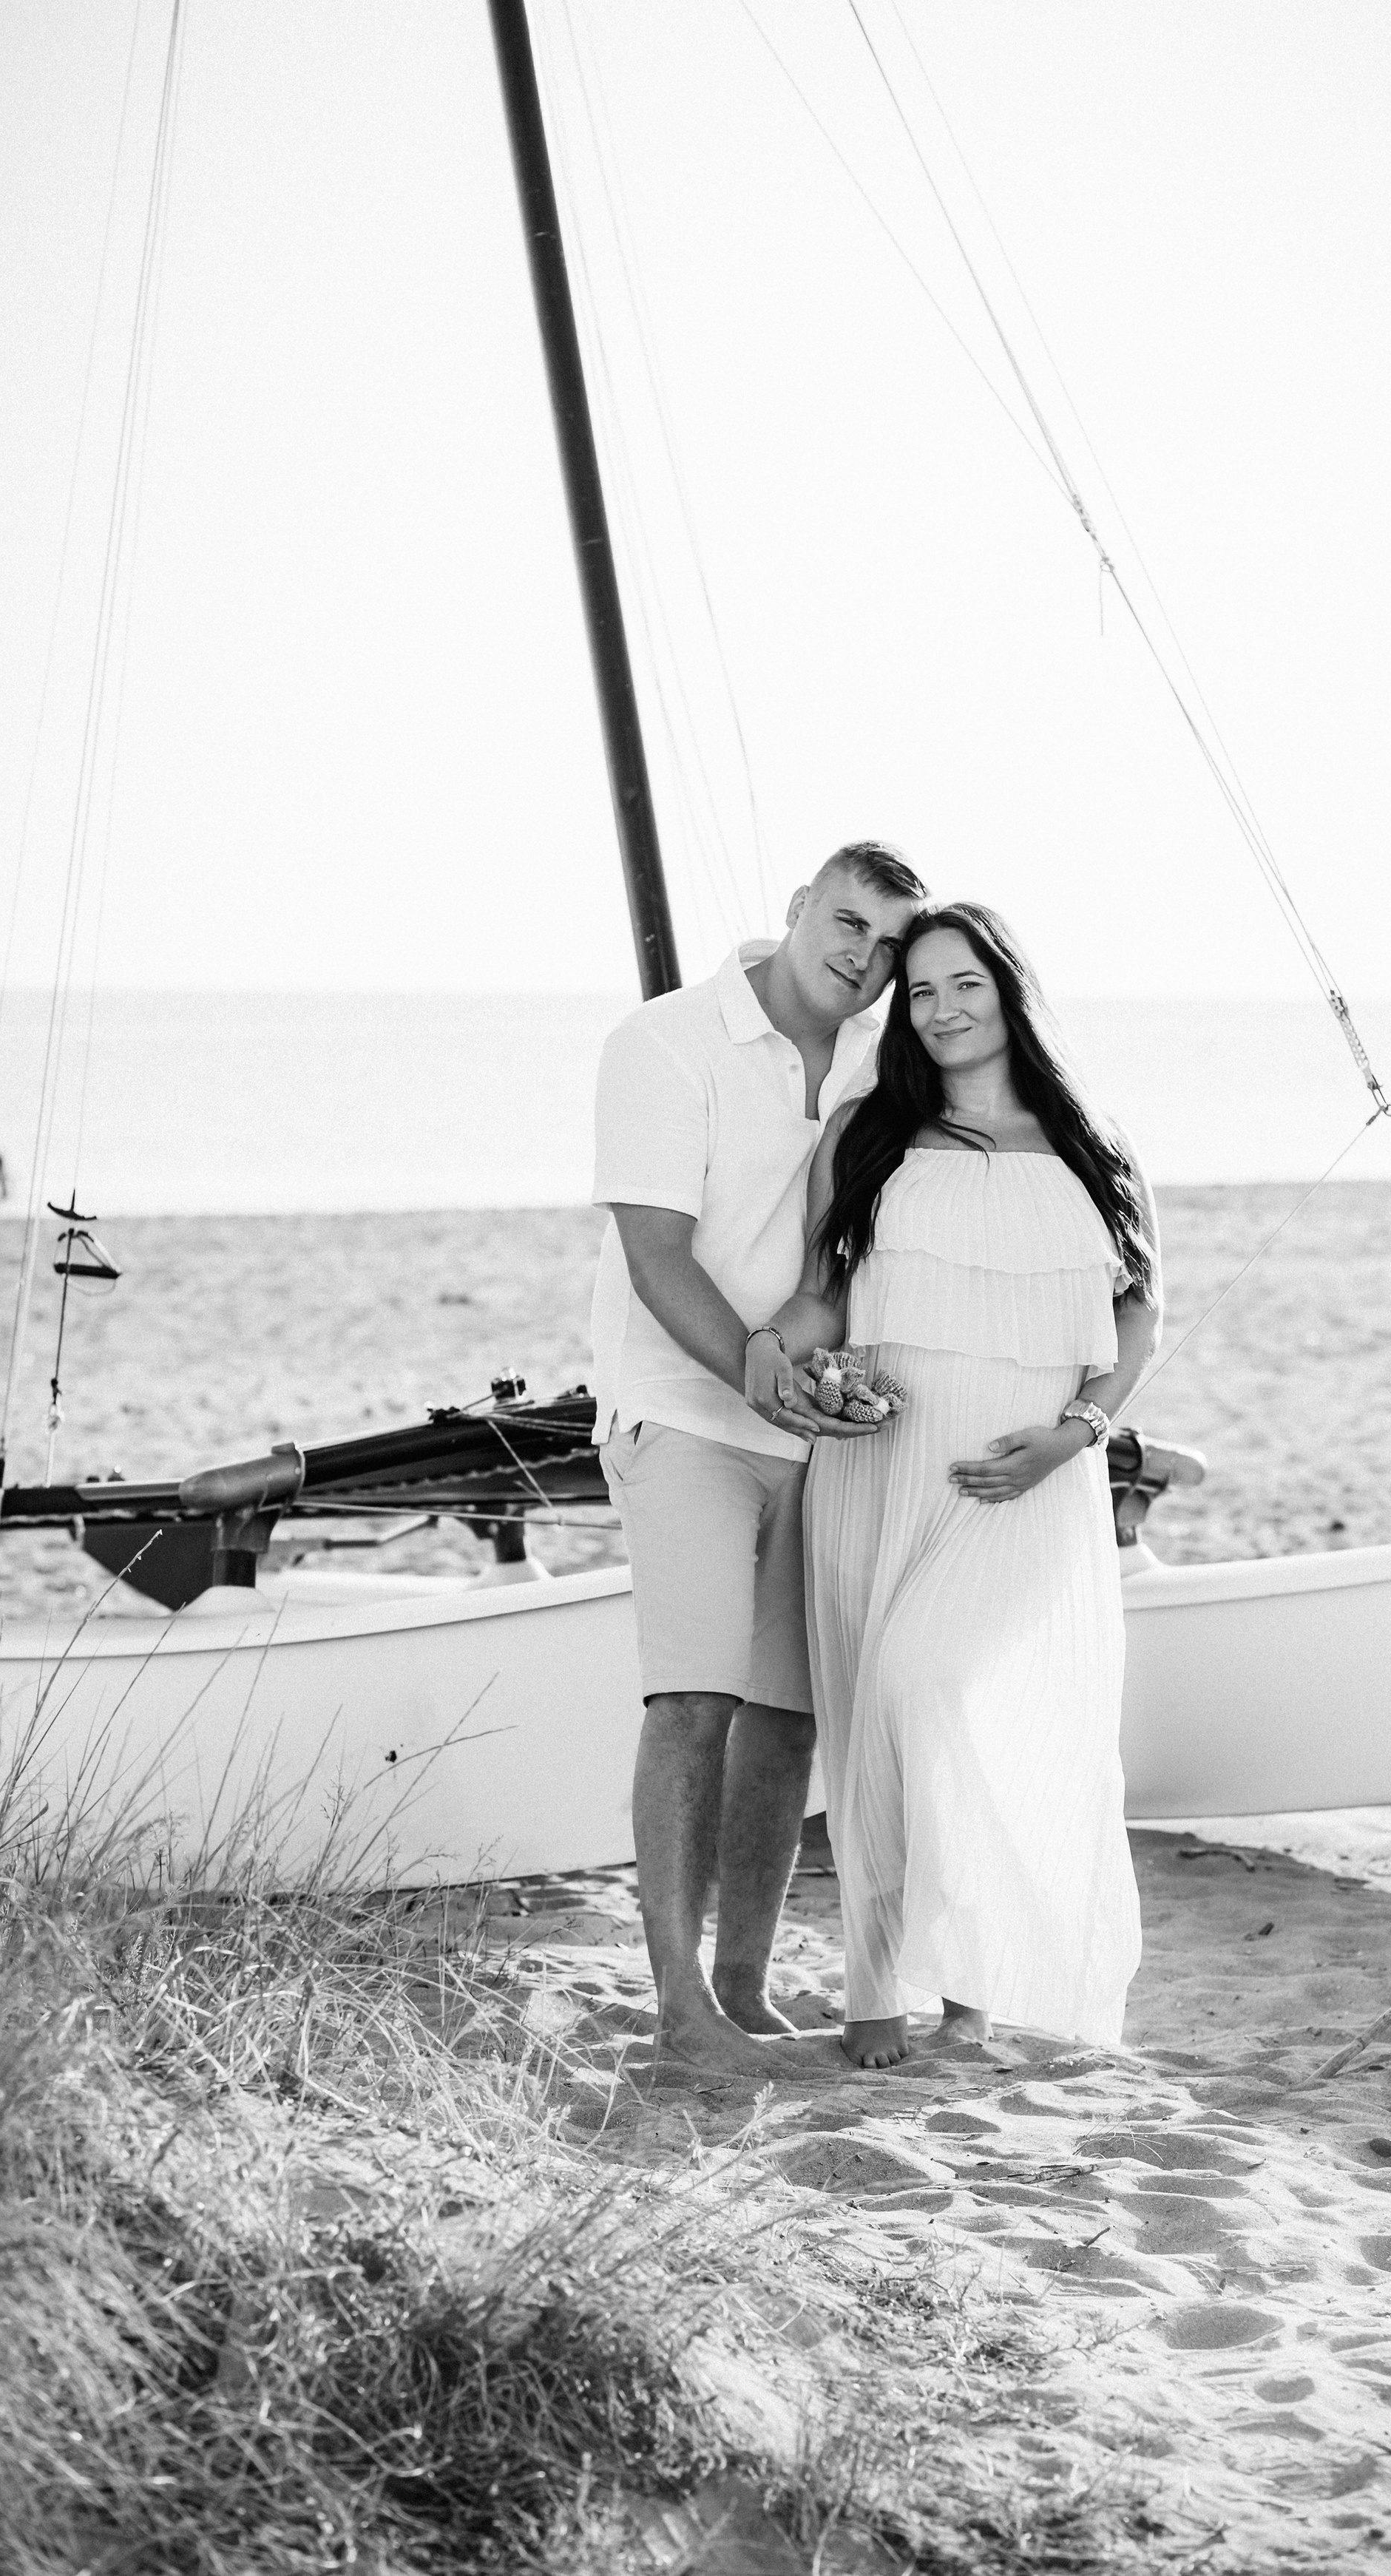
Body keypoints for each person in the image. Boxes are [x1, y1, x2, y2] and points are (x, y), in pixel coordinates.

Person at [743, 903, 1158, 2066]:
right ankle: (883, 1988)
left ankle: (973, 1966)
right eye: (920, 993)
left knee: (939, 1694)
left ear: (1008, 988)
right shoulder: (870, 1135)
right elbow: (823, 1292)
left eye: (964, 983)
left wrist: (1075, 1434)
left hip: (1024, 1482)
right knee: (877, 1721)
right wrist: (787, 1343)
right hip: (880, 1464)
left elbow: (1140, 1317)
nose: (943, 1010)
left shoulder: (1094, 1140)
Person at [592, 842, 927, 2073]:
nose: (864, 957)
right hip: (682, 1411)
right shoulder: (666, 1044)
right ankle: (679, 2011)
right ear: (796, 910)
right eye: (847, 923)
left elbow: (842, 1259)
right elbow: (656, 1255)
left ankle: (741, 1988)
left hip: (808, 1419)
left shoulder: (876, 1066)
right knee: (694, 1702)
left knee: (787, 1718)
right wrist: (758, 1373)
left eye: (891, 944)